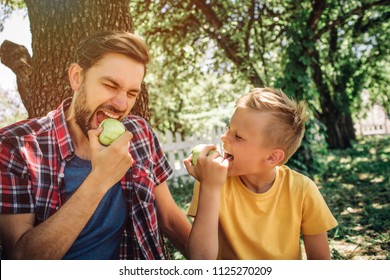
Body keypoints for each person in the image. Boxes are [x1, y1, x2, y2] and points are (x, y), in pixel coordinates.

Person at [0, 30, 191, 260]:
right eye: (110, 85)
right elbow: (21, 261)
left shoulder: (139, 133)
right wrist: (100, 179)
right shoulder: (14, 146)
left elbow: (169, 219)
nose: (122, 105)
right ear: (77, 77)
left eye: (131, 93)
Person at [184, 87, 338, 260]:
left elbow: (320, 262)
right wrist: (210, 188)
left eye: (239, 136)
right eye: (229, 128)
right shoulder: (211, 182)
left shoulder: (302, 189)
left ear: (272, 157)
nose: (224, 137)